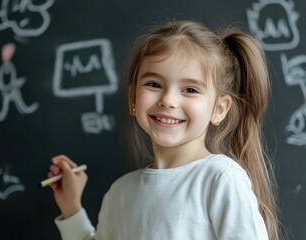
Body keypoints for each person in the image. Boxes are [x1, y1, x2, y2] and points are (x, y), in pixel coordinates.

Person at [47, 20, 280, 240]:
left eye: (190, 89)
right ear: (133, 99)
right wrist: (71, 207)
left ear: (219, 109)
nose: (168, 100)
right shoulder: (120, 193)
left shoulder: (220, 178)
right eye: (154, 84)